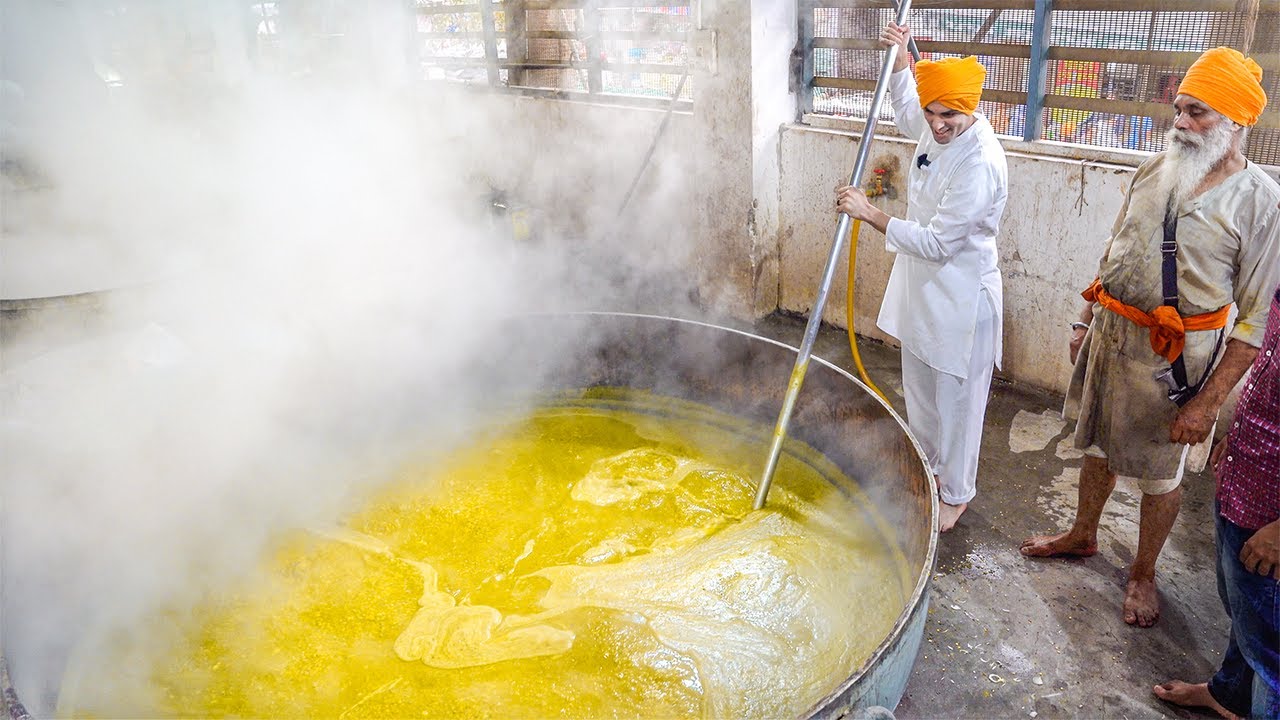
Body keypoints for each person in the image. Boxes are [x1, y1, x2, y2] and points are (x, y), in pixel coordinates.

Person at [1021, 47, 1280, 629]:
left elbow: (1256, 323)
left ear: (1237, 123)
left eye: (1199, 114)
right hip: (1111, 335)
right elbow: (1115, 249)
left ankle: (1142, 572)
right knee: (1095, 444)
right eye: (1180, 110)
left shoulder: (1260, 202)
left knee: (1161, 474)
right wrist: (1084, 322)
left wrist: (1209, 404)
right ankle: (1083, 534)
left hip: (1177, 362)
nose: (1182, 124)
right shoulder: (1153, 168)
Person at [835, 22, 1007, 533]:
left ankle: (955, 494)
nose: (936, 124)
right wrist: (905, 64)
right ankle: (927, 466)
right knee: (922, 391)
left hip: (960, 299)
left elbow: (937, 242)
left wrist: (871, 213)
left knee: (958, 404)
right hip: (924, 293)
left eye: (948, 114)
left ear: (971, 110)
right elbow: (910, 113)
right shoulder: (937, 129)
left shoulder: (980, 163)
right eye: (933, 113)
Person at [1153, 283, 1279, 720]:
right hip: (1252, 477)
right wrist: (1240, 435)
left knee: (1272, 655)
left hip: (1273, 517)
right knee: (1246, 615)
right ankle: (1229, 696)